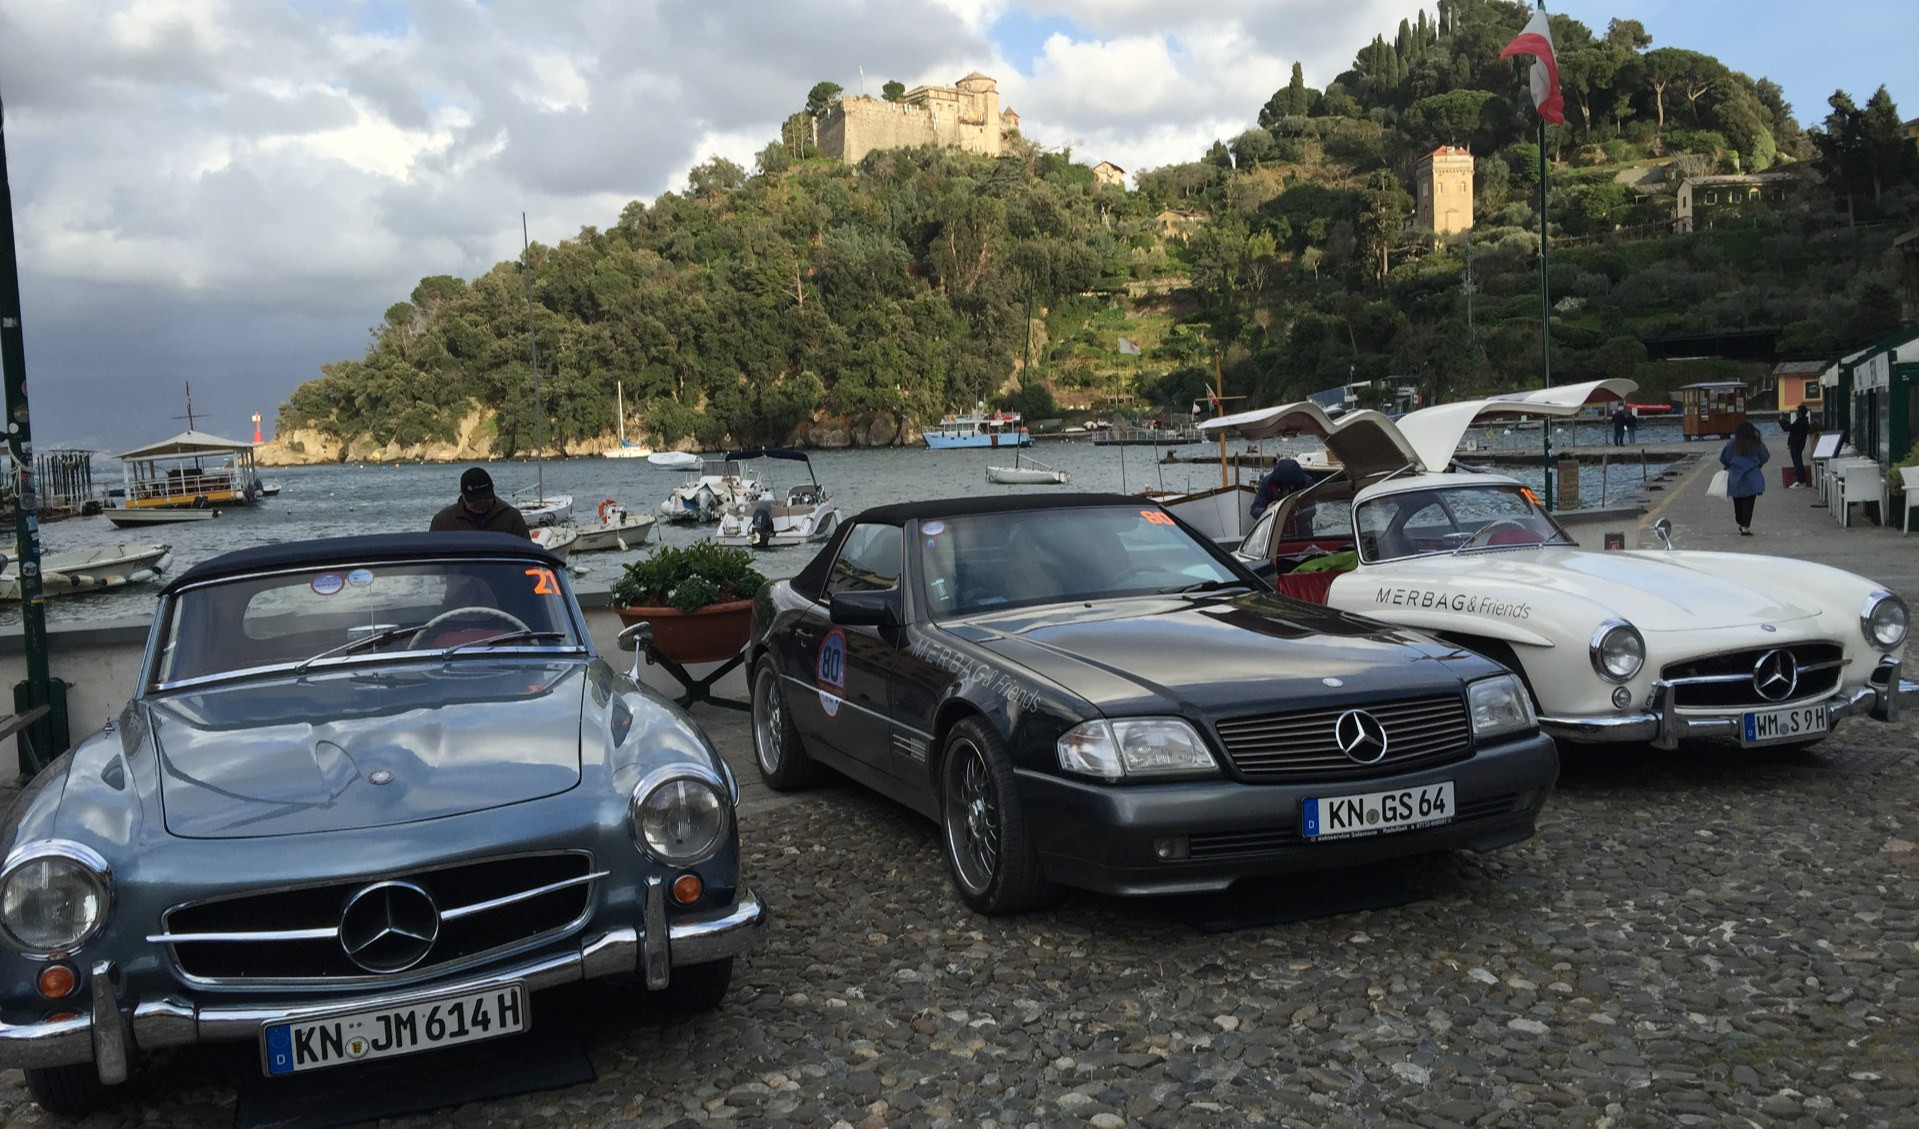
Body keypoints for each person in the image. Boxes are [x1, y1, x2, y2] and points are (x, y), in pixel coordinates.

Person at [429, 466, 532, 538]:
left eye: (485, 499)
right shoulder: (442, 522)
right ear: (462, 494)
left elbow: (527, 553)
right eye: (475, 502)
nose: (481, 504)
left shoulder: (512, 518)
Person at [1719, 420, 1770, 536]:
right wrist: (1758, 465)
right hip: (1752, 476)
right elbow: (1765, 456)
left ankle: (1740, 522)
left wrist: (1730, 466)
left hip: (1735, 477)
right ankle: (1745, 526)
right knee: (1749, 502)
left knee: (1738, 502)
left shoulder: (1732, 444)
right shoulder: (1756, 444)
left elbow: (1723, 458)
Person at [1781, 404, 1811, 489]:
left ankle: (1801, 481)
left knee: (1797, 463)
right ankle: (1801, 480)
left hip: (1796, 445)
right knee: (1798, 462)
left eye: (1797, 411)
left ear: (1800, 413)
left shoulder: (1800, 422)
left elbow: (1788, 428)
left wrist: (1782, 420)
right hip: (1798, 445)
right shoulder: (1803, 422)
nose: (1796, 413)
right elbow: (1791, 427)